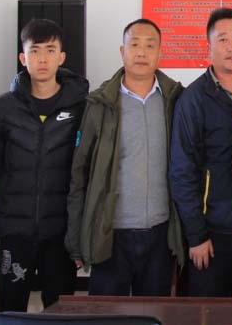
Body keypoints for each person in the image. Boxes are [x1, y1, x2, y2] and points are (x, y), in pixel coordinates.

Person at [65, 18, 185, 296]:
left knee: (154, 312)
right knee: (108, 313)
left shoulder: (175, 100)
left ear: (160, 52)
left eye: (150, 45)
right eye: (134, 44)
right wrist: (76, 238)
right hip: (110, 232)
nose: (141, 52)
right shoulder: (99, 104)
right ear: (122, 51)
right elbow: (79, 173)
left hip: (161, 233)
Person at [0, 19, 88, 311]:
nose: (42, 59)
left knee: (60, 307)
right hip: (14, 226)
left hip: (61, 228)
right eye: (35, 51)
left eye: (50, 50)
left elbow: (85, 162)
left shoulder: (81, 107)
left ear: (62, 57)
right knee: (11, 307)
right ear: (23, 58)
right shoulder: (2, 108)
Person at [170, 8, 232, 296]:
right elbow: (182, 171)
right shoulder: (193, 99)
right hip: (211, 234)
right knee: (208, 312)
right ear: (209, 47)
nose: (231, 46)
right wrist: (196, 235)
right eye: (223, 39)